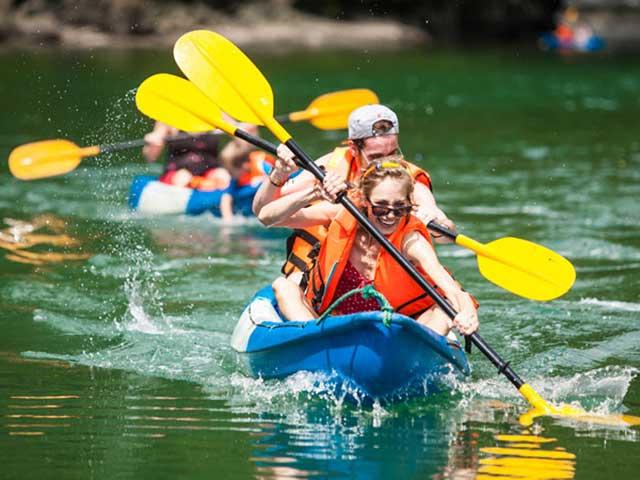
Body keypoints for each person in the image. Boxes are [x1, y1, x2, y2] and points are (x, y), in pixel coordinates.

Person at [258, 156, 478, 337]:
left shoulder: (411, 240)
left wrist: (467, 313)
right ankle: (316, 343)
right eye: (381, 207)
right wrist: (314, 193)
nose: (391, 216)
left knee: (444, 310)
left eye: (400, 208)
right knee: (283, 286)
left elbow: (451, 289)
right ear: (364, 200)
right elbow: (267, 217)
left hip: (394, 335)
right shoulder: (342, 214)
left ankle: (411, 361)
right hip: (332, 327)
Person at [253, 104, 456, 286]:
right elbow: (263, 211)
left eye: (393, 153)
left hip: (384, 274)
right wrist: (279, 174)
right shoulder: (329, 167)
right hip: (324, 268)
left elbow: (442, 229)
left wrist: (438, 226)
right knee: (289, 285)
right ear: (353, 148)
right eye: (376, 156)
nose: (386, 163)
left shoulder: (408, 179)